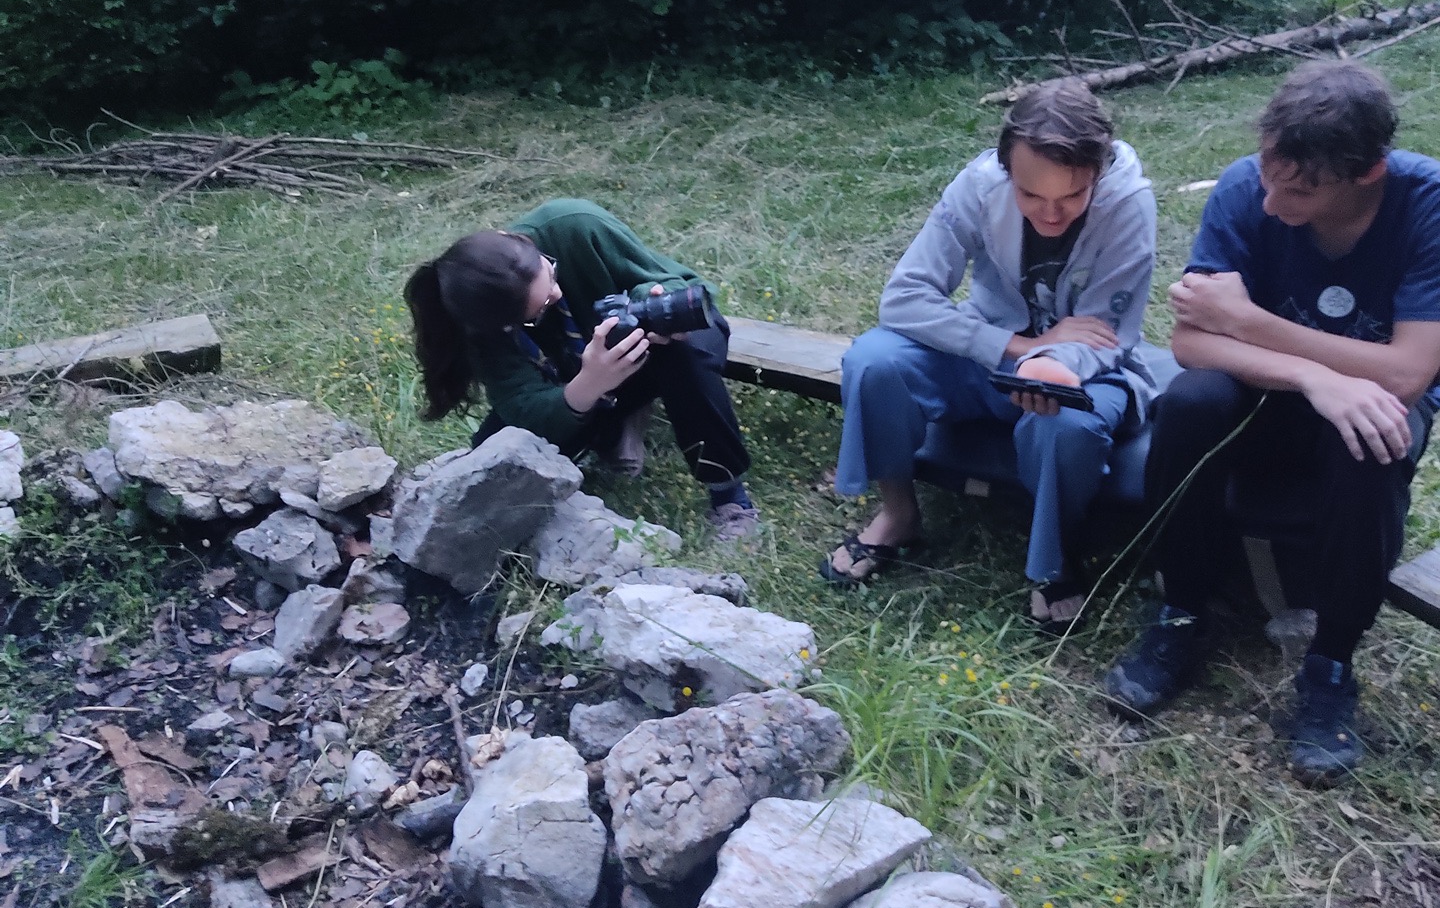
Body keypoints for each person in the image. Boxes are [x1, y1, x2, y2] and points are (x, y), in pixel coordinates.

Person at [1104, 60, 1440, 782]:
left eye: (1301, 190)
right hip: (1266, 393)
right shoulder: (1243, 189)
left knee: (1374, 436)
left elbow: (1409, 372)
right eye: (1268, 175)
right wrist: (1316, 376)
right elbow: (1192, 343)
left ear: (1369, 172)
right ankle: (1180, 613)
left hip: (1374, 401)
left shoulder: (1426, 203)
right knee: (1190, 402)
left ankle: (1330, 663)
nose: (1271, 200)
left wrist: (1250, 322)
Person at [823, 79, 1166, 626]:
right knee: (874, 359)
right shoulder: (979, 185)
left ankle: (1055, 558)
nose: (1051, 215)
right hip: (991, 353)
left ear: (1098, 173)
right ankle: (899, 514)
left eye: (1072, 196)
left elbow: (1106, 333)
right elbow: (904, 298)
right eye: (1031, 196)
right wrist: (1017, 346)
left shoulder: (1129, 202)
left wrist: (1048, 366)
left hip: (1089, 368)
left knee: (1065, 427)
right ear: (1006, 170)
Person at [404, 198, 759, 538]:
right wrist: (588, 385)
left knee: (688, 348)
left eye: (551, 274)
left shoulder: (572, 225)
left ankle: (729, 496)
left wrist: (652, 304)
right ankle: (615, 427)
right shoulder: (479, 324)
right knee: (495, 452)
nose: (557, 295)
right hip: (576, 379)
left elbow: (672, 281)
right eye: (540, 310)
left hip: (652, 348)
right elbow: (523, 406)